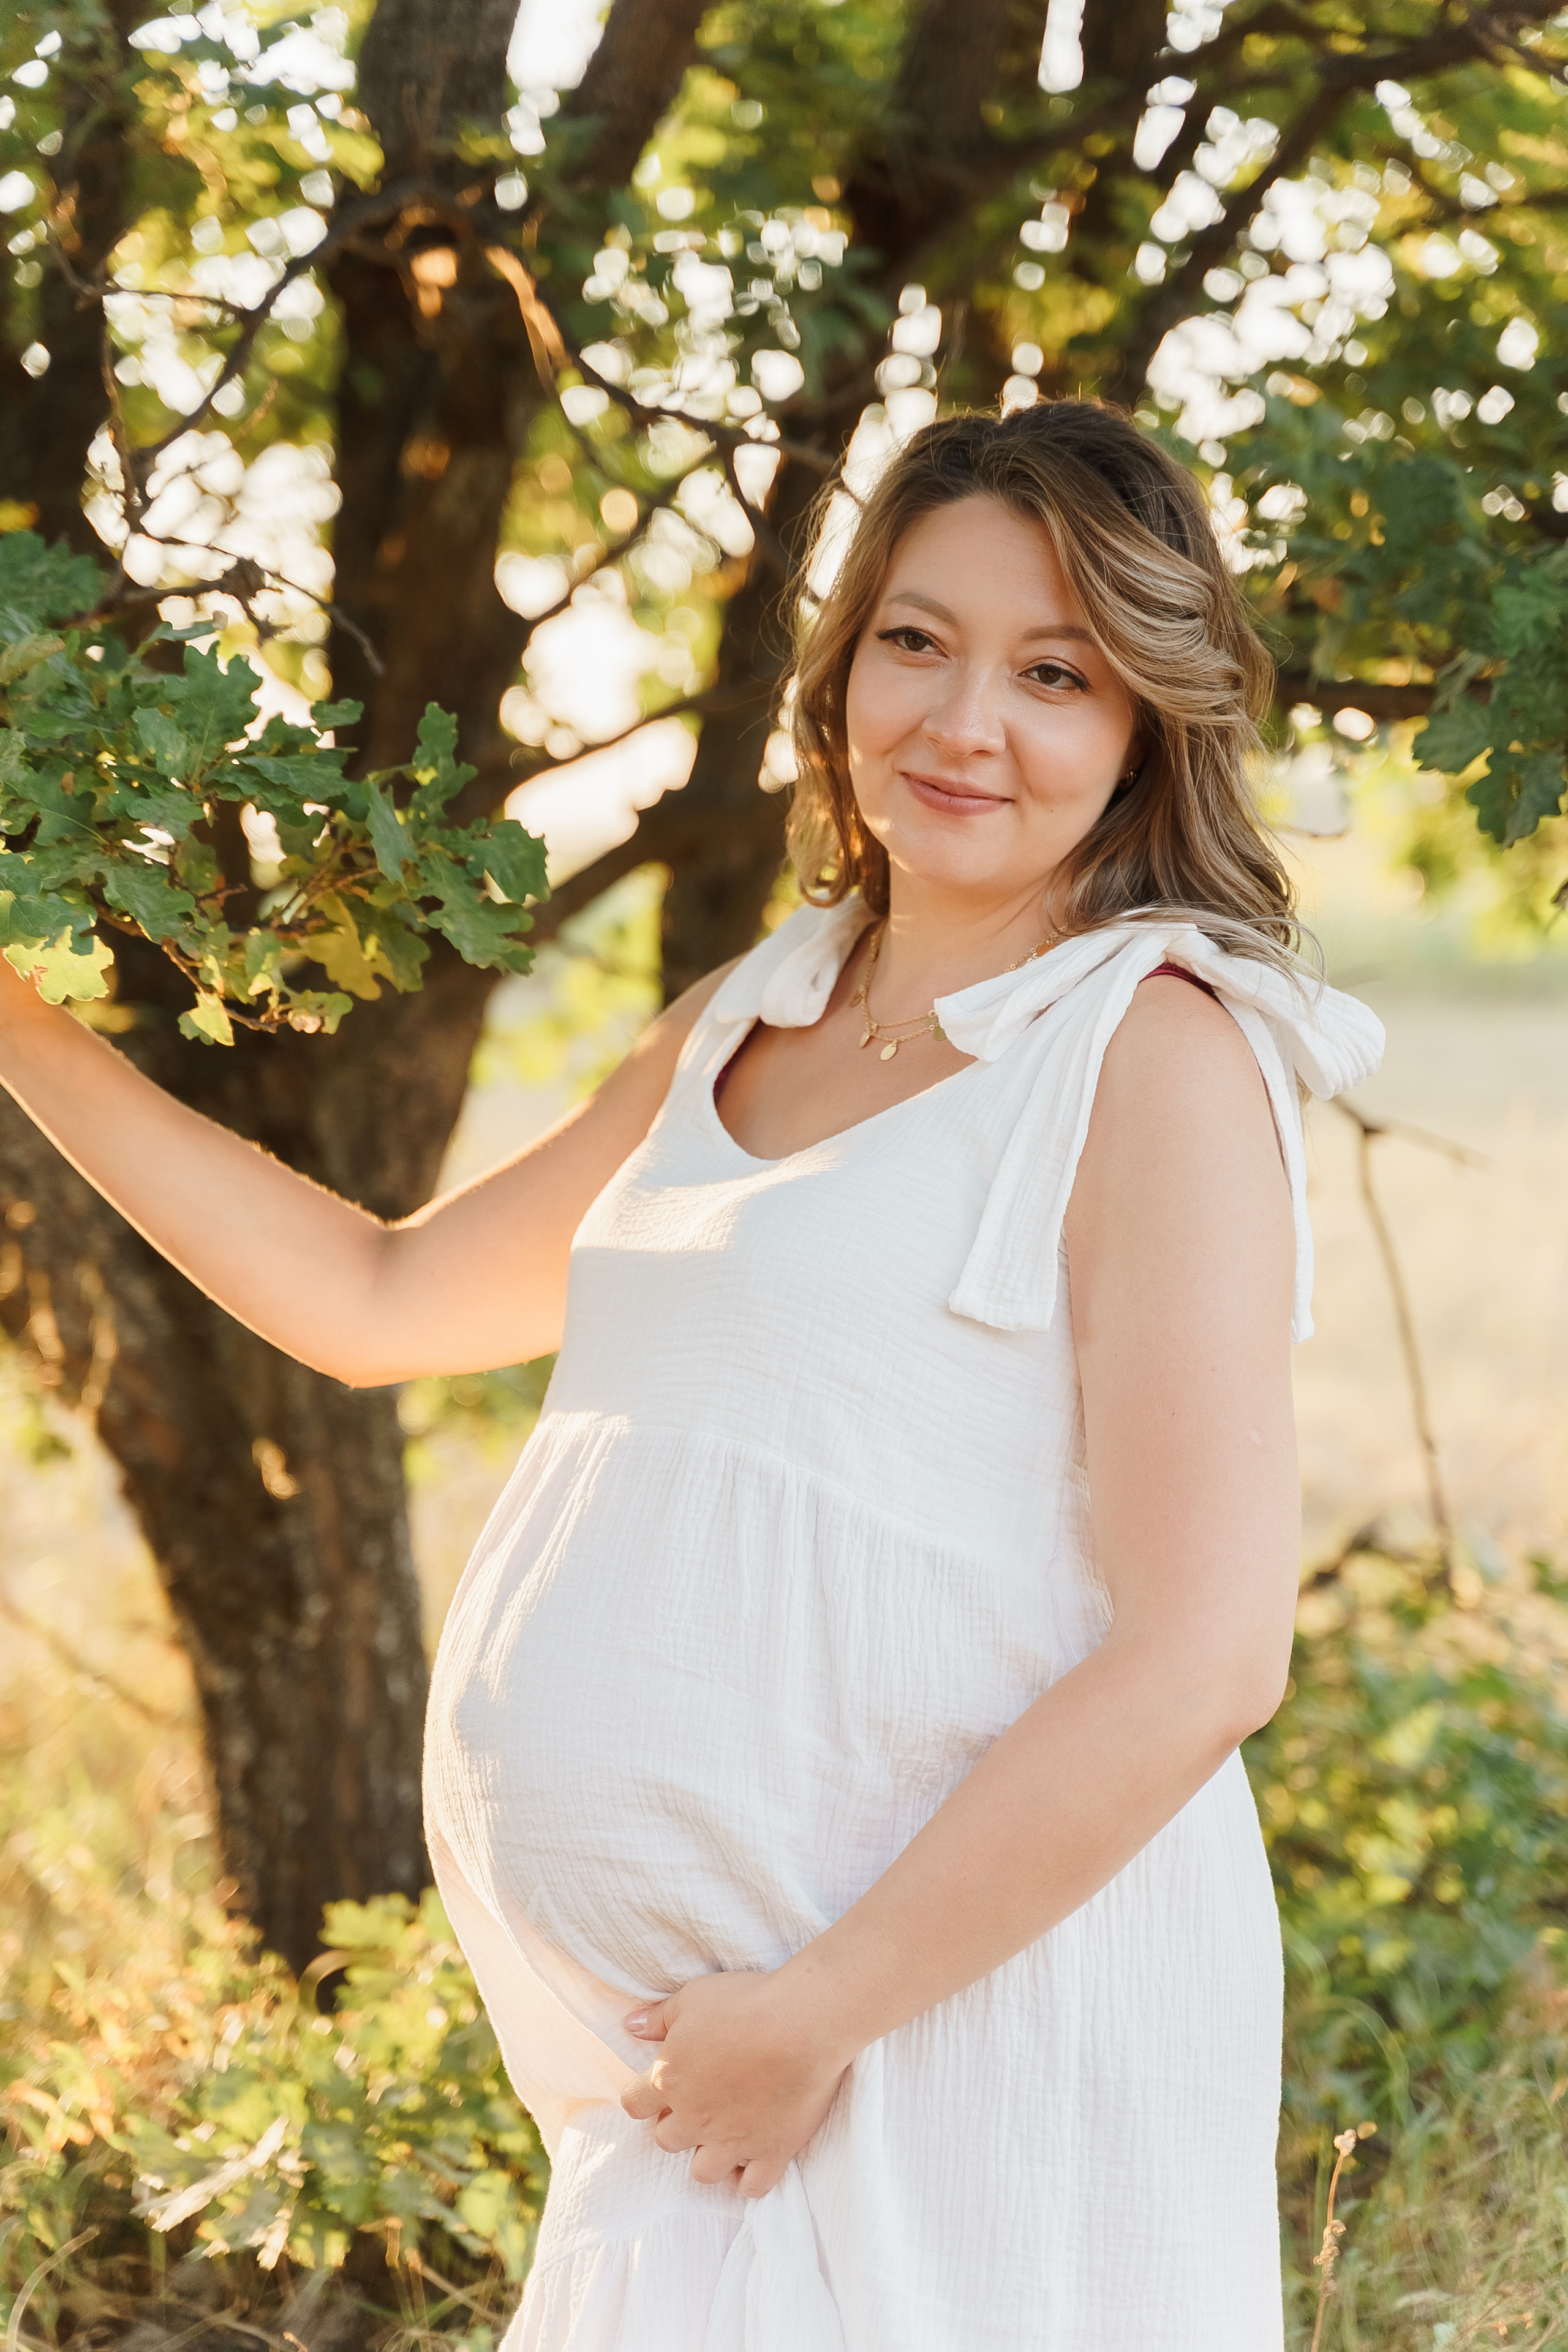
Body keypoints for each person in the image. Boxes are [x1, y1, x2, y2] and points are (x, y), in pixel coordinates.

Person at [0, 398, 1382, 2350]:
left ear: (1150, 721)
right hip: (703, 2068)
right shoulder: (757, 1008)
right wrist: (17, 1022)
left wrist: (818, 2011)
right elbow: (380, 1299)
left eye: (1054, 673)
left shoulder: (1151, 1054)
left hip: (945, 2024)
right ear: (842, 666)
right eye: (917, 641)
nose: (963, 722)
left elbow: (1206, 1656)